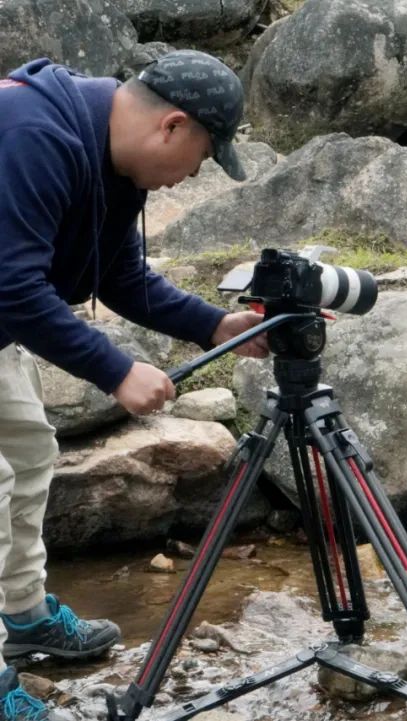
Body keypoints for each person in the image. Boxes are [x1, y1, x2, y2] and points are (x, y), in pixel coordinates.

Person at [0, 50, 269, 719]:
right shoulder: (34, 133)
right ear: (172, 127)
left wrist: (215, 324)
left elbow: (120, 277)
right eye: (202, 158)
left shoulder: (116, 165)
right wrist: (116, 370)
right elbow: (12, 286)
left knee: (30, 454)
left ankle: (24, 613)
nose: (189, 178)